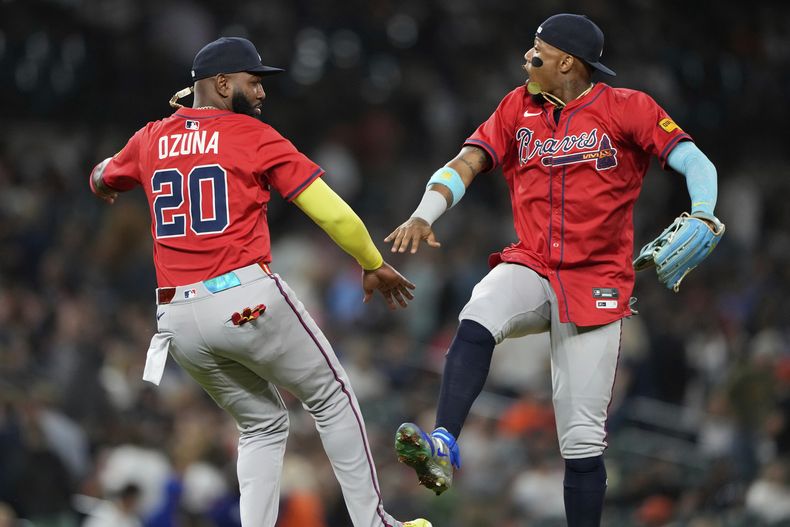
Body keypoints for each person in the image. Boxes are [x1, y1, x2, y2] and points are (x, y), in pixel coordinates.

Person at [386, 13, 722, 527]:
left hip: (598, 280)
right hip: (535, 262)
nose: (527, 58)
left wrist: (703, 209)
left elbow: (697, 162)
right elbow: (466, 162)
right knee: (479, 312)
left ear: (567, 61)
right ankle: (443, 443)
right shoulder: (516, 107)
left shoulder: (626, 107)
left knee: (582, 439)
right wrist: (423, 213)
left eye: (537, 50)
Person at [89, 36, 431, 527]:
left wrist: (104, 178)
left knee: (262, 424)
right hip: (242, 297)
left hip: (176, 319)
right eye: (254, 81)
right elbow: (330, 211)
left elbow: (102, 177)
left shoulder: (150, 138)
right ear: (223, 84)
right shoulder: (251, 135)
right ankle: (374, 523)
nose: (262, 91)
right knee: (332, 396)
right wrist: (372, 261)